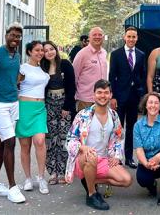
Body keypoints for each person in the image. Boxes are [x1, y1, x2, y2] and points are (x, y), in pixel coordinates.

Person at [65, 79, 132, 211]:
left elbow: (119, 138)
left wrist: (116, 156)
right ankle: (92, 195)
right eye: (99, 92)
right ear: (94, 95)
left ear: (111, 95)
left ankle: (90, 180)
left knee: (126, 180)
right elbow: (69, 139)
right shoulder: (83, 115)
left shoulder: (113, 116)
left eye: (106, 93)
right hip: (83, 158)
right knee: (92, 156)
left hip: (103, 158)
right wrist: (82, 148)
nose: (103, 96)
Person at [0, 22, 25, 203]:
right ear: (6, 34)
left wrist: (19, 80)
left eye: (18, 36)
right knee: (10, 142)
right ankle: (12, 187)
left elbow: (14, 76)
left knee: (2, 144)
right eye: (12, 35)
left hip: (13, 103)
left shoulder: (16, 55)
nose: (15, 39)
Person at [16, 41, 51, 194]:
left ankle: (41, 177)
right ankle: (28, 178)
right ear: (29, 52)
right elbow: (14, 84)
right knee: (25, 145)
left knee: (40, 140)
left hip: (39, 109)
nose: (40, 53)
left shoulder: (44, 68)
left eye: (42, 50)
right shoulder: (22, 68)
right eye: (37, 50)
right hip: (24, 108)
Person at [109, 27, 147, 168]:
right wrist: (112, 97)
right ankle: (116, 157)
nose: (131, 39)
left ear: (137, 38)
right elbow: (112, 76)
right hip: (119, 97)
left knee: (131, 128)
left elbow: (143, 75)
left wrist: (141, 92)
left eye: (134, 37)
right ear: (124, 37)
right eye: (129, 36)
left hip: (134, 97)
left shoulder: (141, 54)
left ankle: (129, 157)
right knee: (118, 128)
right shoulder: (116, 54)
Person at [41, 41, 75, 185]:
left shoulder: (66, 64)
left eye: (51, 49)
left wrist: (67, 107)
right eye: (46, 50)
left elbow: (72, 86)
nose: (49, 52)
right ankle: (52, 171)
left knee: (63, 138)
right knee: (51, 138)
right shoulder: (42, 67)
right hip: (49, 105)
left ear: (55, 49)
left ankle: (62, 171)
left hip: (64, 105)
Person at [73, 27, 109, 112]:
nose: (97, 37)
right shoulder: (82, 54)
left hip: (101, 99)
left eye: (100, 35)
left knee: (100, 124)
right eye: (94, 35)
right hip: (85, 100)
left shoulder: (104, 53)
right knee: (85, 125)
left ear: (103, 37)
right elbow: (74, 76)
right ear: (89, 37)